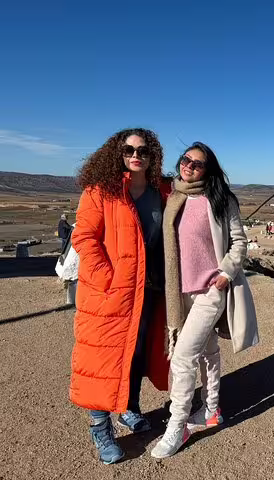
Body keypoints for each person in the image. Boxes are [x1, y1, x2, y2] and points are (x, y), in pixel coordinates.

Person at [152, 142, 259, 458]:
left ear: (207, 170)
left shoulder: (221, 200)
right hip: (180, 290)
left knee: (183, 356)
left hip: (211, 291)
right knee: (208, 351)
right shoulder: (175, 196)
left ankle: (178, 426)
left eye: (197, 164)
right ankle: (211, 410)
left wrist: (225, 273)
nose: (189, 166)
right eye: (185, 160)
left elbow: (239, 243)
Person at [70, 128, 170, 464]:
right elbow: (84, 237)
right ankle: (101, 427)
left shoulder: (162, 192)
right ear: (117, 153)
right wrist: (106, 279)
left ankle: (129, 407)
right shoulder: (101, 191)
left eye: (143, 150)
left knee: (136, 354)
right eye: (128, 149)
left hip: (149, 293)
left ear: (152, 155)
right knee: (100, 360)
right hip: (108, 295)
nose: (135, 155)